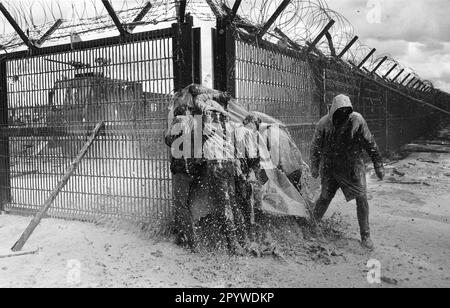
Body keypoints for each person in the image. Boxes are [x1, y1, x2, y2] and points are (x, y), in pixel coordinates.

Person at [310, 94, 385, 250]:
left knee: (361, 197)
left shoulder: (357, 121)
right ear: (333, 112)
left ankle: (365, 236)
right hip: (330, 167)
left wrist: (378, 164)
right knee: (324, 197)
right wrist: (314, 166)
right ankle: (311, 226)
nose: (343, 116)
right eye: (339, 113)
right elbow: (315, 147)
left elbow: (369, 142)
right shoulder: (323, 124)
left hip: (352, 165)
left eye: (346, 113)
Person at [164, 103, 202, 251]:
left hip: (182, 169)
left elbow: (168, 139)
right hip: (194, 169)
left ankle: (193, 241)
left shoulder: (179, 122)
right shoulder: (196, 122)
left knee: (181, 205)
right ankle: (182, 235)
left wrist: (167, 128)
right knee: (190, 204)